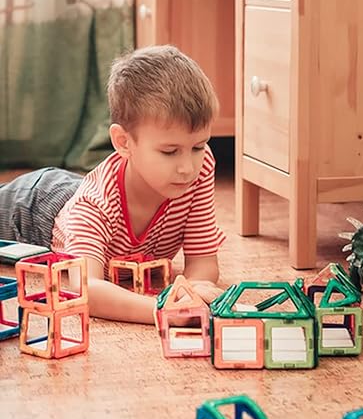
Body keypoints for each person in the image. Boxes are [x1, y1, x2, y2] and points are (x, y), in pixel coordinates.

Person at [0, 45, 226, 323]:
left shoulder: (200, 167)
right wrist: (162, 310)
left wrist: (192, 291)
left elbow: (203, 262)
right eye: (169, 152)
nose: (187, 167)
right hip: (32, 208)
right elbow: (85, 289)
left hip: (78, 192)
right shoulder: (94, 204)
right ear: (123, 142)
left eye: (198, 146)